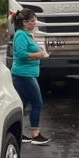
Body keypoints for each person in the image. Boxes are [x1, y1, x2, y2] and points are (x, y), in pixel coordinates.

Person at [11, 9, 50, 144]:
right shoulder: (21, 35)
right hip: (24, 75)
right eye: (32, 21)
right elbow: (21, 54)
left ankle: (18, 133)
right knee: (37, 103)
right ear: (25, 22)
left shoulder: (27, 35)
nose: (35, 23)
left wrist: (41, 52)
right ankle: (35, 134)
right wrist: (38, 55)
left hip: (27, 74)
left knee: (22, 104)